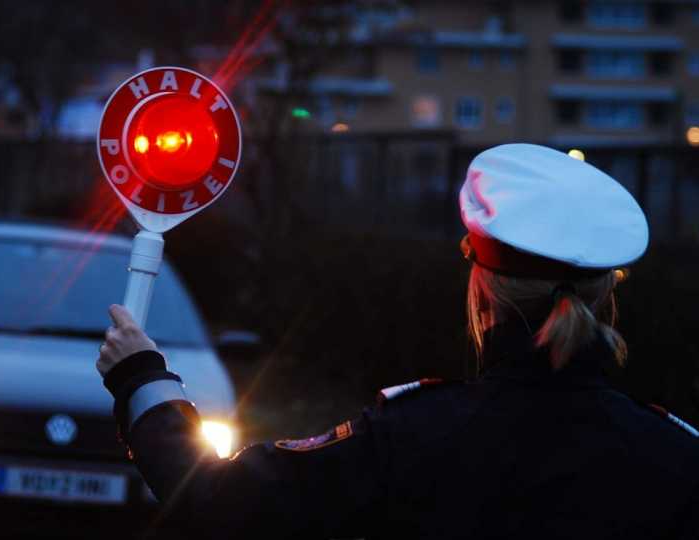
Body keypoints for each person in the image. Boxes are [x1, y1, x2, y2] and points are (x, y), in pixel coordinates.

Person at [96, 144, 699, 539]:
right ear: (604, 294)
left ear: (482, 285)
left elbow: (215, 502)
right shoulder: (676, 457)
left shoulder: (412, 435)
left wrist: (142, 379)